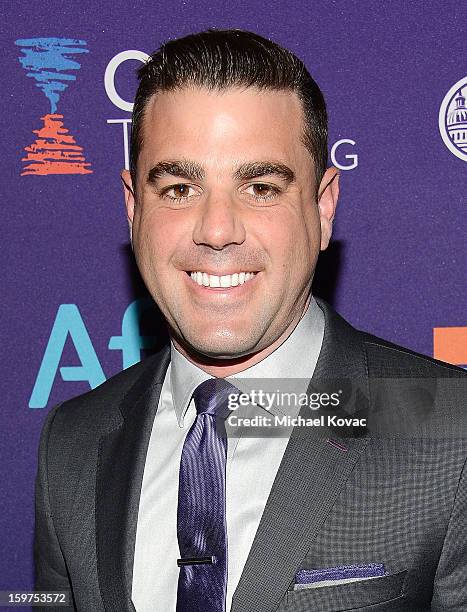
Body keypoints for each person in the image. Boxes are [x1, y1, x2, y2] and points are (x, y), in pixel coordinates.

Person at [34, 29, 466, 612]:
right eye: (180, 188)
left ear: (322, 206)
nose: (216, 230)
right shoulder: (72, 443)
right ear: (133, 208)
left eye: (260, 187)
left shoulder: (453, 430)